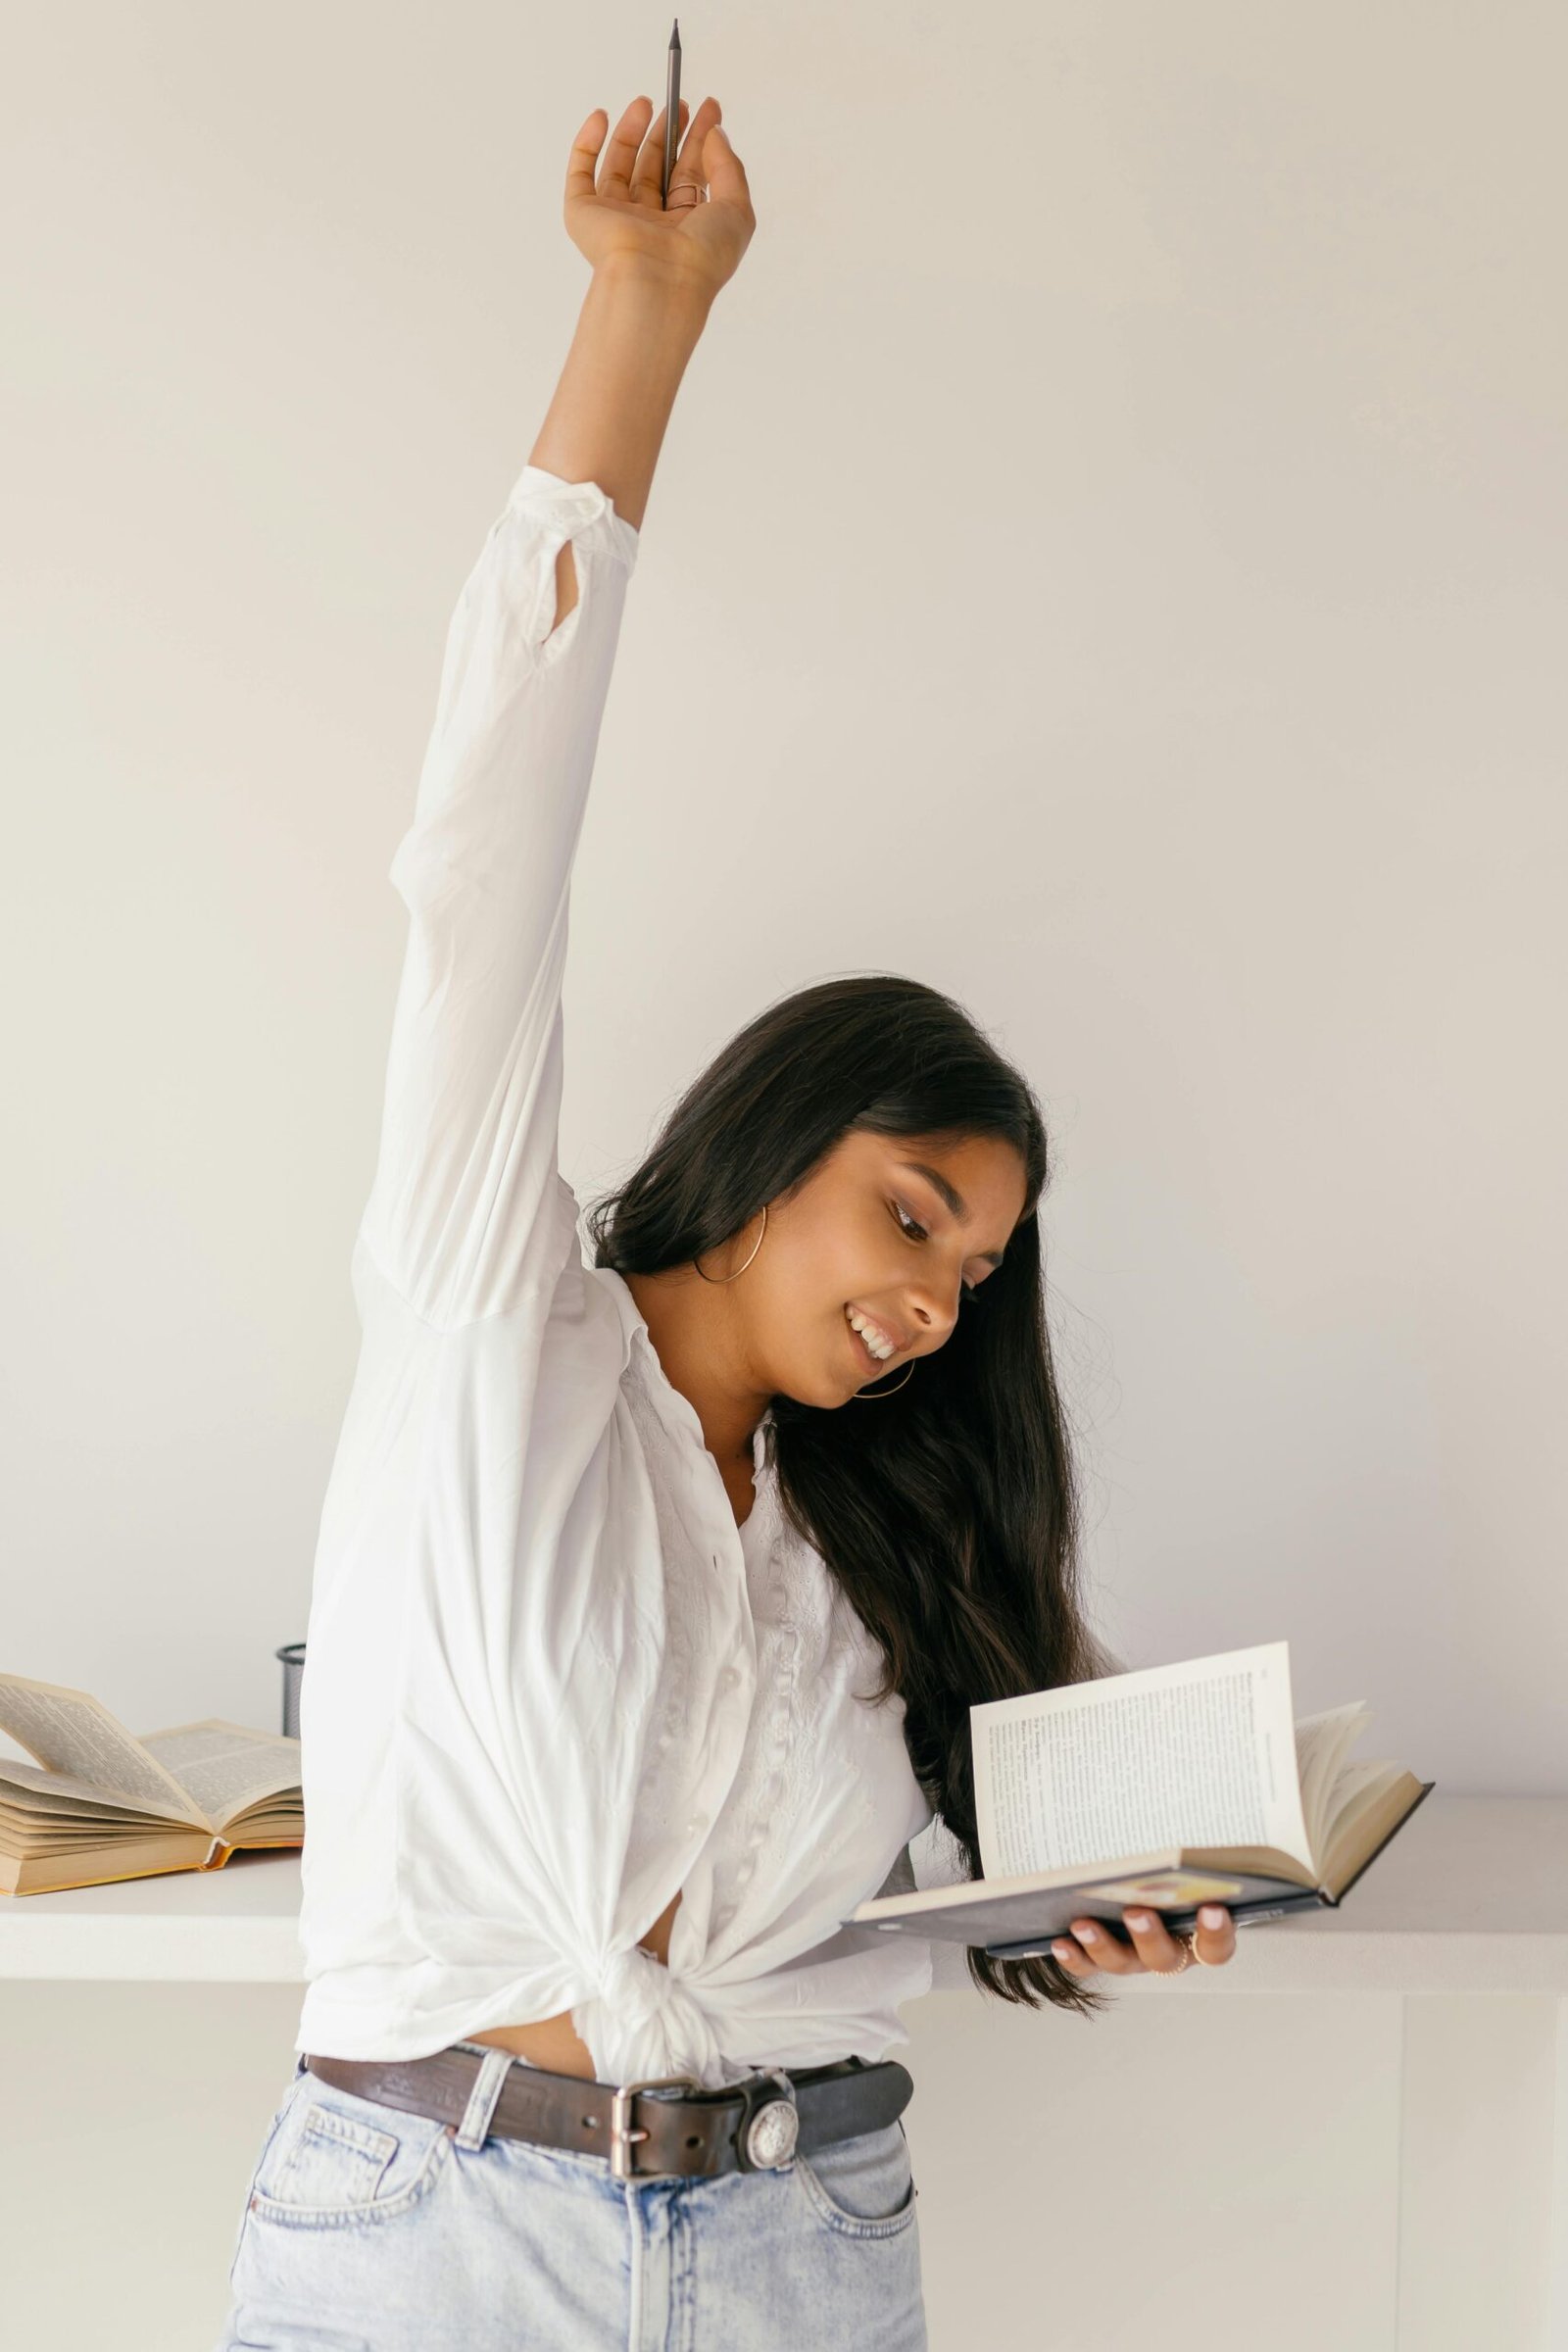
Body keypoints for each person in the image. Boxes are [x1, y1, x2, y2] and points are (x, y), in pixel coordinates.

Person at [217, 89, 1238, 2352]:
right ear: (774, 1143)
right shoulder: (497, 1326)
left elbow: (862, 1911)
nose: (926, 1301)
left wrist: (1061, 1916)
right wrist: (643, 308)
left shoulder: (855, 1533)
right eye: (905, 1212)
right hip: (429, 2239)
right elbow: (485, 858)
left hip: (804, 2237)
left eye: (968, 1275)